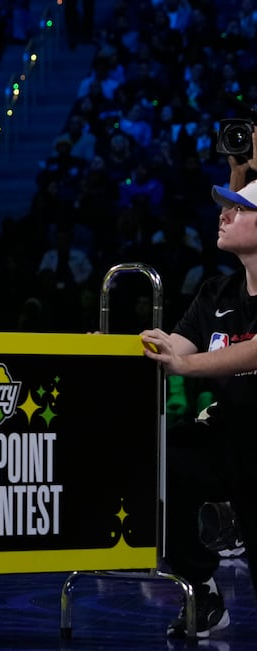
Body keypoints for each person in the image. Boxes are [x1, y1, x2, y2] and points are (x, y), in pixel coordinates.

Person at [139, 177, 257, 638]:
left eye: (239, 210)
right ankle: (202, 586)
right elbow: (171, 351)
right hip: (228, 438)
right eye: (223, 209)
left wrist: (185, 363)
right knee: (158, 458)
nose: (223, 216)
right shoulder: (216, 294)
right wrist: (117, 351)